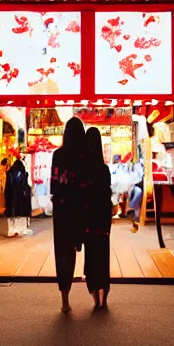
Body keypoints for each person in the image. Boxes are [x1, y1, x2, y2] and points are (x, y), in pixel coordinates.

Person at [50, 116, 88, 314]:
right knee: (76, 249)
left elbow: (54, 184)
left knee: (62, 252)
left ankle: (64, 298)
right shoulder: (84, 156)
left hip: (61, 208)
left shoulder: (58, 154)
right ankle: (96, 291)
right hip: (79, 208)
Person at [82, 128, 112, 311]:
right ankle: (104, 294)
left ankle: (94, 293)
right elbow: (107, 193)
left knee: (91, 256)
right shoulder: (104, 168)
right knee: (103, 255)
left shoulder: (82, 168)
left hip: (87, 218)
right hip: (102, 218)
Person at [4, 155, 33, 237]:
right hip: (22, 200)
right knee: (21, 215)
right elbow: (28, 186)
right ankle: (21, 230)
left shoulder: (9, 174)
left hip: (11, 199)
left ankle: (12, 231)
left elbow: (7, 188)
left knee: (12, 216)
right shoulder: (24, 174)